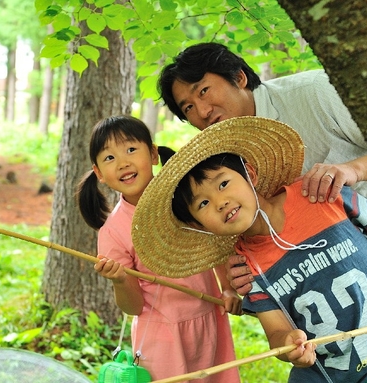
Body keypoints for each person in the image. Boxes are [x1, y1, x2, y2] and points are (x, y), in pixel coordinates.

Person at [157, 42, 367, 382]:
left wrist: (353, 170)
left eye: (204, 91)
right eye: (188, 107)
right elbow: (249, 227)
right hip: (347, 295)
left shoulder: (315, 93)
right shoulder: (225, 161)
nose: (202, 110)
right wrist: (236, 267)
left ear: (239, 77)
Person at [131, 116, 367, 382]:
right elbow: (276, 331)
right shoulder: (247, 269)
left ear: (250, 174)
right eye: (203, 203)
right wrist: (288, 347)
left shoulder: (319, 196)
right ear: (200, 226)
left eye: (223, 183)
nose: (220, 201)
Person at [76, 115, 242, 382]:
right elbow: (133, 306)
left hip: (210, 319)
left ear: (153, 154)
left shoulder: (184, 199)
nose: (123, 163)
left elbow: (214, 242)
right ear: (99, 174)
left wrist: (228, 286)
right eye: (109, 158)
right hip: (162, 336)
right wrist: (120, 280)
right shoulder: (114, 232)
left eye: (131, 149)